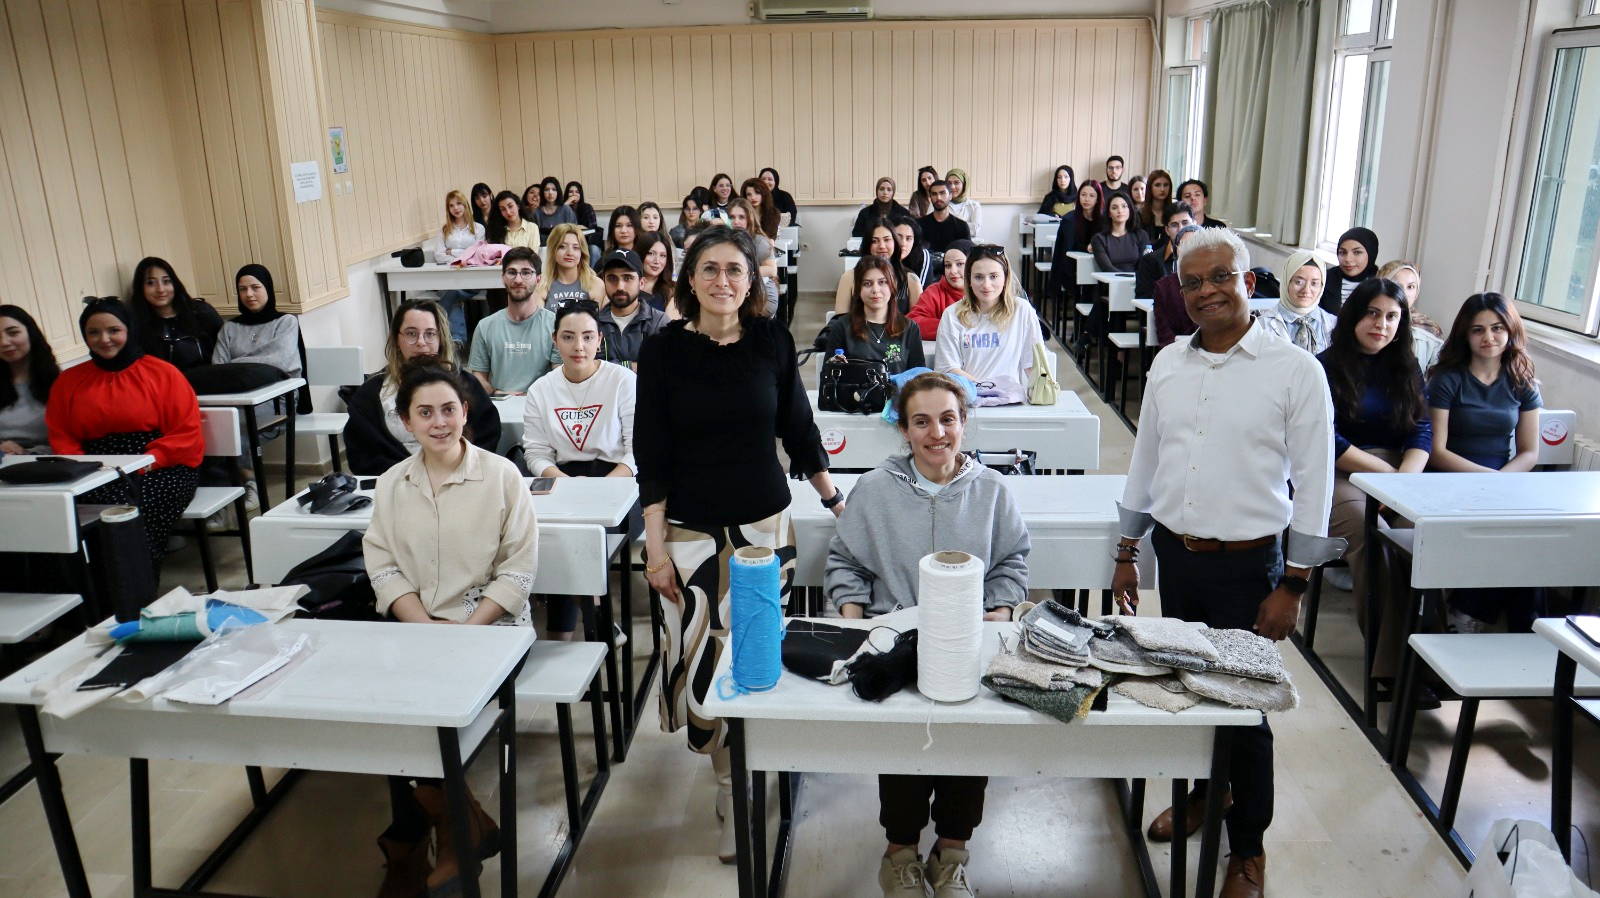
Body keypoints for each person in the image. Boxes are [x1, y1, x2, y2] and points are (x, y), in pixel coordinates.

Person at [1112, 227, 1340, 898]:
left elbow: (1316, 486)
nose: (1208, 290)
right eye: (1194, 282)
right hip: (1176, 560)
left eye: (1221, 277)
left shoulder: (1295, 370)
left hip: (1250, 571)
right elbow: (1144, 462)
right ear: (1181, 293)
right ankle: (1202, 798)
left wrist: (1293, 585)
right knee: (1186, 690)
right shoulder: (1168, 366)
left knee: (1246, 708)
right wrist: (1127, 554)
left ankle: (1247, 849)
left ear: (1250, 281)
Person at [634, 226, 841, 863]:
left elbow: (798, 430)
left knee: (754, 662)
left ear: (752, 281)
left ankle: (747, 778)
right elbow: (652, 450)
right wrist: (655, 544)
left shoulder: (772, 340)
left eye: (735, 270)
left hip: (762, 533)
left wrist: (835, 501)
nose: (723, 280)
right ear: (688, 278)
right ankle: (728, 784)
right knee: (702, 671)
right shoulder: (664, 349)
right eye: (710, 269)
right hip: (692, 537)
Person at [825, 372, 1028, 898]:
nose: (936, 433)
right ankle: (900, 853)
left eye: (947, 419)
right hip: (898, 644)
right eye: (921, 422)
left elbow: (1011, 562)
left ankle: (953, 850)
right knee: (904, 750)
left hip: (968, 642)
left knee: (969, 744)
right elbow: (844, 561)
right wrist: (855, 618)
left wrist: (1000, 611)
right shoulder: (873, 490)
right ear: (904, 429)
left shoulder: (992, 492)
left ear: (964, 424)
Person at [362, 361, 536, 898]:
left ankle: (428, 840)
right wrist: (422, 625)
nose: (439, 422)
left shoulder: (502, 477)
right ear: (406, 422)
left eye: (449, 409)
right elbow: (383, 564)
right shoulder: (393, 483)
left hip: (493, 632)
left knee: (425, 711)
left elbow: (518, 570)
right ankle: (461, 824)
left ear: (466, 412)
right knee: (383, 713)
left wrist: (462, 630)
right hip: (418, 631)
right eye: (425, 413)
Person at [1319, 278, 1432, 684]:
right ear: (1354, 314)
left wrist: (1405, 479)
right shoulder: (1323, 365)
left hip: (1401, 471)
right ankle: (1394, 668)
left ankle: (1429, 651)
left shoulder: (1406, 366)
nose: (1381, 324)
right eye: (1372, 313)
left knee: (1430, 537)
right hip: (1340, 471)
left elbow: (1421, 429)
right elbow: (1325, 439)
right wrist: (1387, 478)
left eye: (1391, 317)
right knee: (1371, 537)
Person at [48, 298, 203, 569]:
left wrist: (145, 464)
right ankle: (95, 594)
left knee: (129, 510)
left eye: (113, 330)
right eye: (93, 332)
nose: (104, 339)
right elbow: (61, 434)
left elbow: (185, 433)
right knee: (69, 512)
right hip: (93, 471)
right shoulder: (69, 381)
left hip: (160, 467)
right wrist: (84, 468)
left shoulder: (162, 373)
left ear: (128, 330)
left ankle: (133, 590)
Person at [1427, 293, 1543, 634]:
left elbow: (1528, 452)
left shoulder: (1522, 381)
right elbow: (1437, 450)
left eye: (1496, 328)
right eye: (1478, 330)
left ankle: (1531, 630)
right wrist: (1488, 481)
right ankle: (1467, 612)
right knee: (1492, 530)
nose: (1488, 337)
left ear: (1510, 331)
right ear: (1465, 334)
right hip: (1452, 478)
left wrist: (1500, 481)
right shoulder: (1447, 379)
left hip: (1502, 481)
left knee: (1532, 537)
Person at [522, 300, 637, 640]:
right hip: (564, 479)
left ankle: (576, 625)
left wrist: (599, 489)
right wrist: (569, 485)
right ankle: (593, 616)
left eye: (587, 337)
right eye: (569, 337)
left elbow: (637, 453)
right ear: (555, 340)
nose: (579, 346)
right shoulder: (541, 389)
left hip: (619, 480)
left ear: (599, 340)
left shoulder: (622, 380)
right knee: (559, 536)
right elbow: (537, 454)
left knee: (580, 538)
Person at [344, 299, 501, 475]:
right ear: (396, 339)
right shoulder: (370, 394)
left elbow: (487, 437)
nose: (421, 342)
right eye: (411, 334)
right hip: (395, 484)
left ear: (440, 339)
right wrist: (410, 476)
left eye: (430, 334)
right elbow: (362, 454)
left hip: (461, 478)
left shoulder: (467, 386)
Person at [212, 264, 309, 507]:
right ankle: (221, 494)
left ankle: (249, 482)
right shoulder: (229, 328)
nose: (249, 294)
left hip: (280, 398)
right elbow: (217, 367)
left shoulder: (285, 322)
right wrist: (249, 367)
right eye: (242, 289)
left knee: (238, 424)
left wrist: (237, 364)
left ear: (268, 289)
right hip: (237, 397)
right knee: (215, 422)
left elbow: (280, 361)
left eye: (256, 287)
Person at [937, 245, 1043, 391]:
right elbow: (947, 369)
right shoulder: (951, 314)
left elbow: (1034, 365)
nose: (986, 285)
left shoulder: (1022, 310)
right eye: (978, 277)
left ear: (1006, 278)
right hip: (969, 400)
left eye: (994, 276)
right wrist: (987, 390)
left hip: (1010, 403)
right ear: (969, 279)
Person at [468, 247, 559, 394]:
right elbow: (478, 375)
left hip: (541, 406)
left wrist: (529, 396)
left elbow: (559, 375)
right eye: (512, 272)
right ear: (503, 277)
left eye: (526, 273)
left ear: (538, 279)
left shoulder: (555, 325)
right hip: (498, 408)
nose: (518, 279)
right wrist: (496, 393)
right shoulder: (485, 326)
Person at [823, 256, 926, 374]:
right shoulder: (841, 327)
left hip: (900, 392)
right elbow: (828, 380)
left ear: (892, 286)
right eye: (867, 284)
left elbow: (919, 379)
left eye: (882, 282)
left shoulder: (910, 328)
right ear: (857, 289)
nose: (875, 290)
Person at [129, 257, 222, 373]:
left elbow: (226, 349)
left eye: (166, 281)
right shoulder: (136, 324)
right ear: (140, 288)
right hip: (167, 388)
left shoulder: (202, 312)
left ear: (175, 283)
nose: (160, 289)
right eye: (150, 283)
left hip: (211, 383)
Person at [0, 305, 59, 455]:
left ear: (30, 333)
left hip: (51, 464)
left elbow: (73, 440)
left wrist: (26, 452)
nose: (4, 342)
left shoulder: (60, 383)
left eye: (13, 333)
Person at [1257, 249, 1338, 355]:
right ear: (1286, 282)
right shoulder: (1262, 326)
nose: (1306, 290)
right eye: (1299, 282)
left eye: (1314, 283)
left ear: (1321, 286)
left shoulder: (1333, 324)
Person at [594, 249, 668, 365]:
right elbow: (590, 369)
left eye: (627, 278)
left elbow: (662, 369)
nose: (620, 286)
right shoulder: (593, 323)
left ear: (641, 283)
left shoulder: (659, 322)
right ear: (604, 282)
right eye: (612, 278)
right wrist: (634, 366)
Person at [433, 189, 487, 343]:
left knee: (450, 293)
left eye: (458, 204)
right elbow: (439, 255)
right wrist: (464, 254)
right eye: (451, 206)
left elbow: (478, 253)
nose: (455, 208)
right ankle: (457, 340)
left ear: (465, 205)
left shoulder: (478, 228)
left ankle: (439, 320)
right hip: (450, 277)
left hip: (473, 278)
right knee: (452, 292)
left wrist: (453, 251)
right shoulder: (445, 230)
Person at [835, 219, 918, 316]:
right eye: (874, 241)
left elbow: (917, 323)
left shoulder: (911, 280)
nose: (882, 246)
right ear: (867, 245)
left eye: (887, 240)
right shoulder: (849, 278)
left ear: (895, 243)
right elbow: (839, 321)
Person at [1378, 260, 1442, 372]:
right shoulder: (1366, 320)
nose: (1403, 292)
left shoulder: (1430, 329)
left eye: (1411, 287)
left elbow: (1434, 375)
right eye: (1396, 285)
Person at [907, 239, 972, 341]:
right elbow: (913, 322)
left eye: (959, 264)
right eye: (947, 265)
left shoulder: (985, 292)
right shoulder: (934, 292)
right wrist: (955, 327)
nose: (952, 271)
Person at [1048, 181, 1104, 297]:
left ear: (1098, 199)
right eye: (1083, 195)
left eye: (1091, 195)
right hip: (1073, 269)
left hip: (1100, 266)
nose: (1086, 199)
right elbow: (1068, 250)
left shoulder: (1104, 220)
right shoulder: (1070, 219)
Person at [727, 198, 782, 317]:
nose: (736, 221)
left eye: (741, 217)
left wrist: (741, 272)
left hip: (763, 292)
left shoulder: (759, 241)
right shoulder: (726, 241)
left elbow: (772, 270)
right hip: (740, 289)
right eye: (732, 217)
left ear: (749, 219)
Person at [533, 223, 606, 310]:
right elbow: (538, 321)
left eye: (575, 247)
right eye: (562, 247)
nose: (570, 253)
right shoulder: (541, 284)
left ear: (582, 252)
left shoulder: (596, 284)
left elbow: (597, 321)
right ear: (553, 250)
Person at [1152, 224, 1203, 346]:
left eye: (1195, 244)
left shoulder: (1215, 284)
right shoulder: (1164, 287)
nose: (1189, 250)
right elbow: (1164, 332)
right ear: (1176, 251)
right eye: (1184, 245)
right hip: (1175, 350)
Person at [1134, 203, 1193, 298]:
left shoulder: (1206, 257)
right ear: (1167, 230)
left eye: (1185, 223)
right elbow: (1144, 299)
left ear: (1194, 224)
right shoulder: (1150, 261)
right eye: (1174, 225)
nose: (1181, 229)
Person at [1320, 227, 1379, 314]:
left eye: (1357, 252)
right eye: (1342, 252)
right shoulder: (1323, 278)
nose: (1348, 259)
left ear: (1371, 254)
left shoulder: (1381, 284)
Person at [1091, 192, 1146, 273]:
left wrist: (1135, 280)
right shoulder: (1099, 239)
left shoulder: (1141, 235)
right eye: (1114, 208)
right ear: (1109, 213)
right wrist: (1127, 279)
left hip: (1138, 282)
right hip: (1111, 282)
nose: (1120, 211)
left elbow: (1144, 264)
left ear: (1130, 210)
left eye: (1124, 206)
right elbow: (1107, 268)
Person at [918, 180, 971, 253]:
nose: (938, 197)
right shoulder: (919, 224)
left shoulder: (962, 226)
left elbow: (967, 254)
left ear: (950, 196)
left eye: (942, 193)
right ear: (930, 198)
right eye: (934, 194)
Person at [892, 215, 937, 290]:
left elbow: (922, 295)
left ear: (914, 242)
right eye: (898, 237)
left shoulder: (922, 256)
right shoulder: (883, 252)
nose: (903, 243)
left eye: (908, 238)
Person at [565, 180, 604, 263]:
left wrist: (575, 228)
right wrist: (566, 204)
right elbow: (559, 226)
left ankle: (593, 275)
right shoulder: (563, 209)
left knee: (594, 249)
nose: (574, 194)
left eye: (577, 192)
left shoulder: (587, 207)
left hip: (586, 240)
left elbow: (592, 227)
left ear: (580, 194)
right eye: (571, 192)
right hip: (567, 241)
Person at [637, 232, 677, 314]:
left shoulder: (672, 291)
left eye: (662, 256)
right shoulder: (624, 284)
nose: (657, 261)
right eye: (651, 253)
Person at [944, 168, 982, 239]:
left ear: (964, 184)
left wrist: (949, 225)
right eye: (949, 183)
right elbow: (932, 228)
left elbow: (975, 230)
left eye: (956, 182)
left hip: (966, 245)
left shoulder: (974, 205)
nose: (952, 187)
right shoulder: (939, 203)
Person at [1142, 169, 1176, 237]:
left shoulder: (1175, 213)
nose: (1162, 189)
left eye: (1166, 185)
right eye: (1157, 185)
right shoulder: (1139, 214)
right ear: (1150, 187)